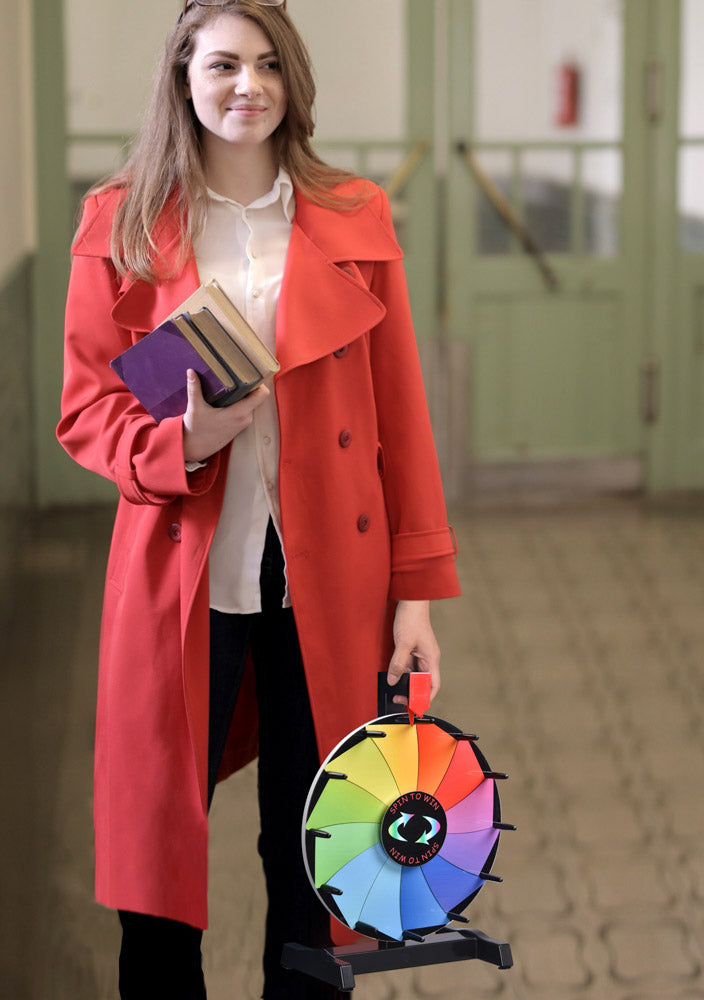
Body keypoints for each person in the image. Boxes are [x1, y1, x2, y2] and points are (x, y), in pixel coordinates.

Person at [57, 1, 460, 997]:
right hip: (177, 582)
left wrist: (413, 598)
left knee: (317, 860)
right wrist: (178, 441)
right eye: (225, 63)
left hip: (331, 586)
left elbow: (401, 423)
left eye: (270, 63)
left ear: (295, 82)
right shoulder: (121, 221)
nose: (249, 85)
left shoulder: (354, 212)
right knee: (154, 876)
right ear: (183, 78)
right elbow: (87, 410)